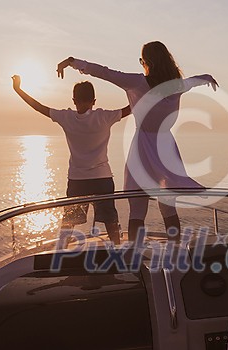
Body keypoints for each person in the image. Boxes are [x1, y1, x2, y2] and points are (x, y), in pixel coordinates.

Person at [56, 41, 218, 242]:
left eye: (142, 60)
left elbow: (104, 72)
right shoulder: (176, 85)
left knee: (137, 209)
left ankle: (135, 256)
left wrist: (73, 62)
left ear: (146, 62)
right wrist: (207, 78)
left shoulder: (138, 83)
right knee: (168, 208)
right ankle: (175, 252)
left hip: (142, 149)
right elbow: (194, 81)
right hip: (166, 149)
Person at [11, 75, 130, 245]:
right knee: (110, 219)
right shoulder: (104, 117)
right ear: (94, 101)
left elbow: (39, 107)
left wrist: (18, 89)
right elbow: (131, 108)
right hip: (102, 178)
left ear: (74, 100)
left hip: (77, 179)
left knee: (68, 222)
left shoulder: (66, 117)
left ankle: (61, 253)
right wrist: (147, 91)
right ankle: (117, 251)